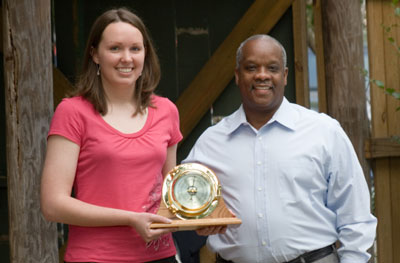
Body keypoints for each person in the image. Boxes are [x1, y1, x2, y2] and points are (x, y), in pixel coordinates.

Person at [185, 34, 377, 263]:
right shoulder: (211, 142)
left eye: (272, 68)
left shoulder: (324, 132)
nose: (262, 75)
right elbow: (183, 197)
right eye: (251, 67)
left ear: (284, 75)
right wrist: (200, 220)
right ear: (237, 75)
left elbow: (355, 214)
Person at [40, 8, 182, 263]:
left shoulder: (166, 111)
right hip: (97, 257)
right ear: (95, 54)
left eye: (135, 49)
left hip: (160, 256)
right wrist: (130, 218)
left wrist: (201, 219)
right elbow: (53, 204)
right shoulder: (73, 112)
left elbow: (171, 196)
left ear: (145, 54)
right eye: (115, 48)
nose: (126, 58)